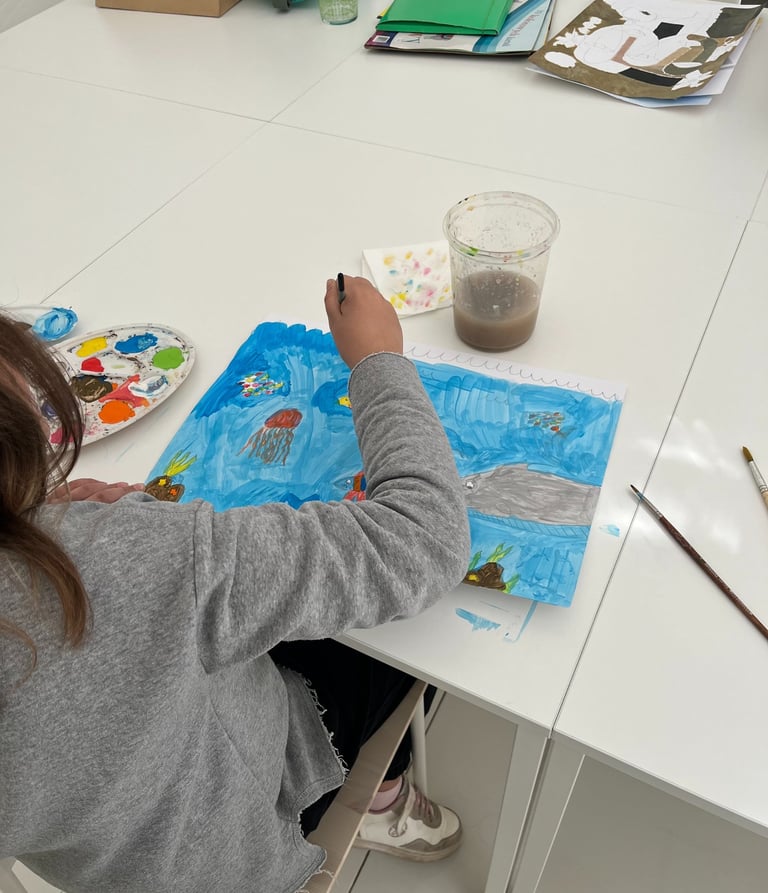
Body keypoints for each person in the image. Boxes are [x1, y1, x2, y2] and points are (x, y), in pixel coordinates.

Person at [0, 276, 471, 893]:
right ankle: (380, 799)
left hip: (115, 866)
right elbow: (423, 540)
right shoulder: (109, 558)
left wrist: (27, 517)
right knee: (420, 645)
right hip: (253, 835)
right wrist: (379, 358)